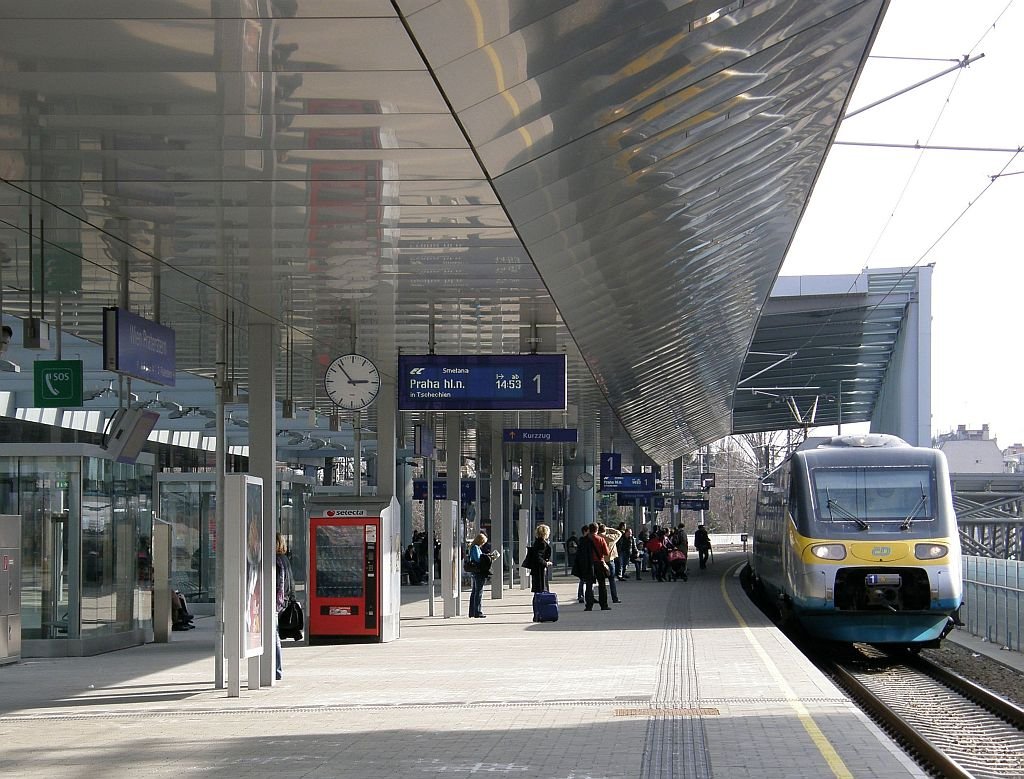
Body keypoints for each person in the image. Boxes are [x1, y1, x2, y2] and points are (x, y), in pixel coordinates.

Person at [274, 533, 292, 680]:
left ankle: (276, 670)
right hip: (283, 601)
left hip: (276, 603)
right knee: (275, 635)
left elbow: (277, 584)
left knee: (274, 637)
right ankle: (275, 670)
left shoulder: (276, 561)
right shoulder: (285, 559)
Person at [586, 522, 611, 610]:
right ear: (597, 530)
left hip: (588, 564)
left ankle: (589, 606)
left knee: (589, 585)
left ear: (589, 529)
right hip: (599, 564)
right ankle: (603, 605)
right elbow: (606, 552)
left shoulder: (584, 540)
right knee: (602, 585)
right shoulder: (600, 539)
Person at [598, 523, 622, 603]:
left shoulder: (597, 538)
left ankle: (602, 599)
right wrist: (608, 528)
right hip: (610, 560)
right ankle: (614, 598)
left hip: (600, 561)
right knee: (612, 580)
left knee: (601, 581)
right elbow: (619, 533)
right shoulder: (611, 538)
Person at [525, 523, 553, 593]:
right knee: (541, 589)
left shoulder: (537, 542)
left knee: (538, 590)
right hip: (540, 570)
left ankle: (537, 602)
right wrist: (546, 563)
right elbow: (538, 556)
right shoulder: (542, 544)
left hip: (536, 570)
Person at [468, 532, 489, 618]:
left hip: (474, 572)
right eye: (483, 542)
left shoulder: (472, 547)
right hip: (478, 572)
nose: (483, 544)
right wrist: (487, 558)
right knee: (478, 592)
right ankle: (477, 611)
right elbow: (478, 559)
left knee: (474, 592)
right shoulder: (476, 548)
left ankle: (472, 612)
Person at [572, 525, 591, 602]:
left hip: (582, 563)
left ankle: (581, 596)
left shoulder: (581, 540)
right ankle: (582, 596)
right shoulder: (584, 540)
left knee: (583, 581)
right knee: (584, 580)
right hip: (584, 563)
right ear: (585, 531)